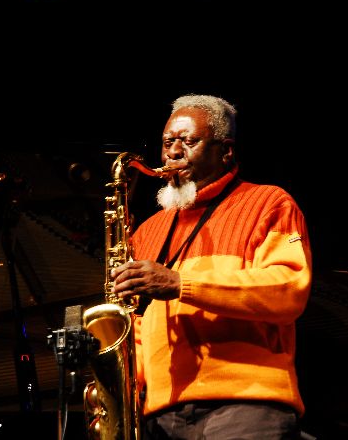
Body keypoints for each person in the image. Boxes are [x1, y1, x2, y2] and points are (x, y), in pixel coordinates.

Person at [110, 94, 312, 439]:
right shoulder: (147, 230)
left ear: (226, 150)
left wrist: (180, 284)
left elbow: (287, 290)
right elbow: (138, 323)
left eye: (188, 141)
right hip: (161, 413)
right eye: (167, 143)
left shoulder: (269, 203)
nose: (173, 153)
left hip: (246, 404)